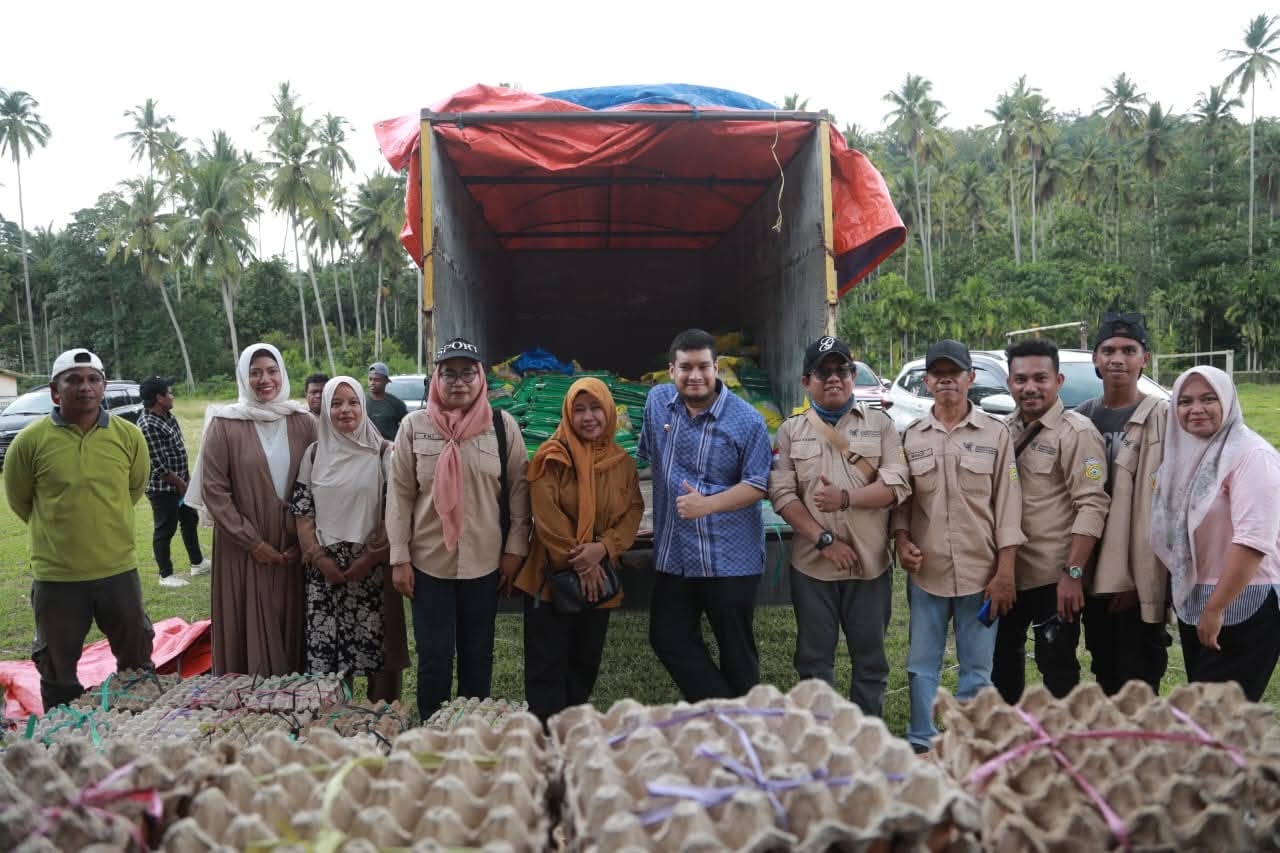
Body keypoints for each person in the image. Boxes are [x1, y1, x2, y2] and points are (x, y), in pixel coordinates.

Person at [387, 337, 530, 721]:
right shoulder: (414, 427)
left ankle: (472, 732)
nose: (459, 382)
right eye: (448, 374)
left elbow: (519, 489)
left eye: (468, 373)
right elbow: (399, 495)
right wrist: (398, 557)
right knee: (433, 656)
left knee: (477, 654)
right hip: (428, 562)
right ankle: (433, 730)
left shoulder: (502, 427)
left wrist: (516, 550)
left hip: (485, 561)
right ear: (436, 379)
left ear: (481, 378)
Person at [4, 348, 154, 711]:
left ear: (103, 387)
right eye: (73, 379)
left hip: (118, 571)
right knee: (57, 671)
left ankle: (136, 733)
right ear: (56, 391)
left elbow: (134, 489)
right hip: (57, 578)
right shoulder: (29, 441)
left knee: (136, 662)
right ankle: (63, 743)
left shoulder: (129, 436)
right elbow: (20, 500)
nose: (84, 387)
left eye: (93, 379)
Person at [768, 336, 910, 717]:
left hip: (869, 565)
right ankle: (821, 741)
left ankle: (867, 741)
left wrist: (846, 499)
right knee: (814, 663)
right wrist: (825, 540)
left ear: (852, 375)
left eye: (842, 370)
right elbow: (783, 496)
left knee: (871, 661)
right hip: (813, 567)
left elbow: (896, 486)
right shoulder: (790, 431)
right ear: (806, 381)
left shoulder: (881, 425)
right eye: (823, 371)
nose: (834, 378)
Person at [893, 340, 1023, 753]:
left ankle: (970, 745)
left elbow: (1008, 507)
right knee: (920, 666)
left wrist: (1005, 572)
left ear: (970, 379)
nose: (947, 380)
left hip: (981, 574)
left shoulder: (995, 434)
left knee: (978, 669)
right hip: (926, 573)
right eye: (938, 373)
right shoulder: (911, 437)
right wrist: (901, 540)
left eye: (955, 373)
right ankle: (921, 741)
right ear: (927, 381)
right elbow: (904, 501)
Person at [638, 328, 773, 701]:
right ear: (671, 370)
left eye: (703, 367)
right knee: (667, 637)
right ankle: (728, 713)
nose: (694, 376)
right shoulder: (657, 403)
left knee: (737, 653)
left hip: (729, 559)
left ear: (718, 368)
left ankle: (745, 737)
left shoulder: (747, 421)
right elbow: (647, 459)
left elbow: (759, 484)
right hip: (675, 554)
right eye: (685, 367)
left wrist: (708, 504)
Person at [513, 377, 644, 722]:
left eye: (595, 407)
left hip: (599, 578)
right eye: (579, 409)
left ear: (610, 411)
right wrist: (582, 563)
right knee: (547, 668)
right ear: (568, 415)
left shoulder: (622, 464)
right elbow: (547, 517)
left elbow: (633, 512)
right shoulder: (550, 458)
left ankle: (572, 738)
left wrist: (603, 549)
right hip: (551, 580)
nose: (588, 417)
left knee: (584, 663)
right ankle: (544, 743)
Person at [187, 343, 317, 676]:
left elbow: (325, 478)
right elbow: (214, 491)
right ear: (244, 377)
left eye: (271, 371)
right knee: (249, 616)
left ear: (283, 374)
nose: (264, 379)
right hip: (243, 548)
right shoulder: (225, 424)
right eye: (255, 372)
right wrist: (253, 543)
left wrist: (305, 538)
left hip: (295, 548)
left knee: (293, 619)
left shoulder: (304, 422)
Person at [1152, 366, 1280, 702]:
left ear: (1227, 401)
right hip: (1198, 596)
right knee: (1211, 715)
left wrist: (1215, 607)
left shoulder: (1252, 455)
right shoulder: (1185, 457)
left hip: (1243, 599)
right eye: (1186, 401)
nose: (1196, 409)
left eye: (1209, 399)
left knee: (1216, 716)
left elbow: (1253, 542)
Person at [992, 340, 1110, 704]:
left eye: (1040, 378)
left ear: (1058, 380)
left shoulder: (1077, 433)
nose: (1030, 387)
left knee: (1057, 667)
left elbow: (1092, 505)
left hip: (1053, 579)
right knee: (1001, 666)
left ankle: (1065, 746)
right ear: (1009, 384)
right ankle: (1010, 745)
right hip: (1007, 576)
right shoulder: (1000, 431)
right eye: (1020, 379)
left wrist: (1073, 574)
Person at [1074, 313, 1169, 695]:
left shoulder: (1163, 418)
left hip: (1139, 566)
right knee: (1104, 660)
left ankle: (1143, 746)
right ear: (1095, 358)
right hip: (1089, 563)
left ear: (1144, 359)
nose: (1118, 358)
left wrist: (1135, 577)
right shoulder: (1081, 418)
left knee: (1140, 666)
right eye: (1108, 350)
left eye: (1129, 350)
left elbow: (1165, 504)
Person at [291, 377, 395, 689]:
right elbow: (302, 509)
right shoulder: (313, 454)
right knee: (328, 661)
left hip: (370, 571)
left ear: (364, 406)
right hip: (325, 574)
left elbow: (396, 510)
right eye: (335, 404)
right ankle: (332, 724)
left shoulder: (384, 453)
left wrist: (370, 558)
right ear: (324, 409)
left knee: (378, 656)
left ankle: (382, 724)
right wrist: (319, 558)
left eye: (352, 402)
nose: (344, 410)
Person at [136, 376, 210, 589]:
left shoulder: (168, 417)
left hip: (181, 484)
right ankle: (165, 575)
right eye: (168, 392)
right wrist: (180, 484)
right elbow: (158, 465)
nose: (172, 395)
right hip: (164, 488)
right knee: (164, 528)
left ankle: (197, 563)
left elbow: (178, 451)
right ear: (159, 398)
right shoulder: (148, 424)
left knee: (189, 520)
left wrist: (186, 480)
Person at [367, 361, 409, 441]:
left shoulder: (396, 404)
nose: (372, 383)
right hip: (367, 449)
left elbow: (407, 427)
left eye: (377, 380)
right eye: (370, 379)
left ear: (386, 381)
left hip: (390, 449)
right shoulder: (361, 402)